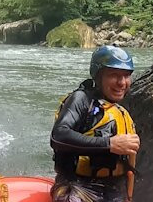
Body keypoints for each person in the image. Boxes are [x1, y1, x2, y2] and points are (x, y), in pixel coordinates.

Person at [50, 45, 140, 202]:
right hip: (77, 186)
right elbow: (59, 136)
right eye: (114, 75)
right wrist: (109, 143)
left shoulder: (121, 110)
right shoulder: (81, 100)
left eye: (126, 76)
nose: (122, 83)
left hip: (114, 190)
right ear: (98, 76)